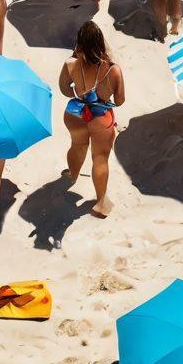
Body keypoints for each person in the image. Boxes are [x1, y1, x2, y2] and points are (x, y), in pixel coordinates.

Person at [58, 21, 125, 218]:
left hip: (75, 114)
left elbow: (64, 89)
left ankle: (73, 174)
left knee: (77, 145)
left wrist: (78, 88)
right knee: (100, 158)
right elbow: (120, 101)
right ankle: (101, 202)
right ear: (100, 43)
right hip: (100, 117)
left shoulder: (70, 64)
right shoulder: (113, 70)